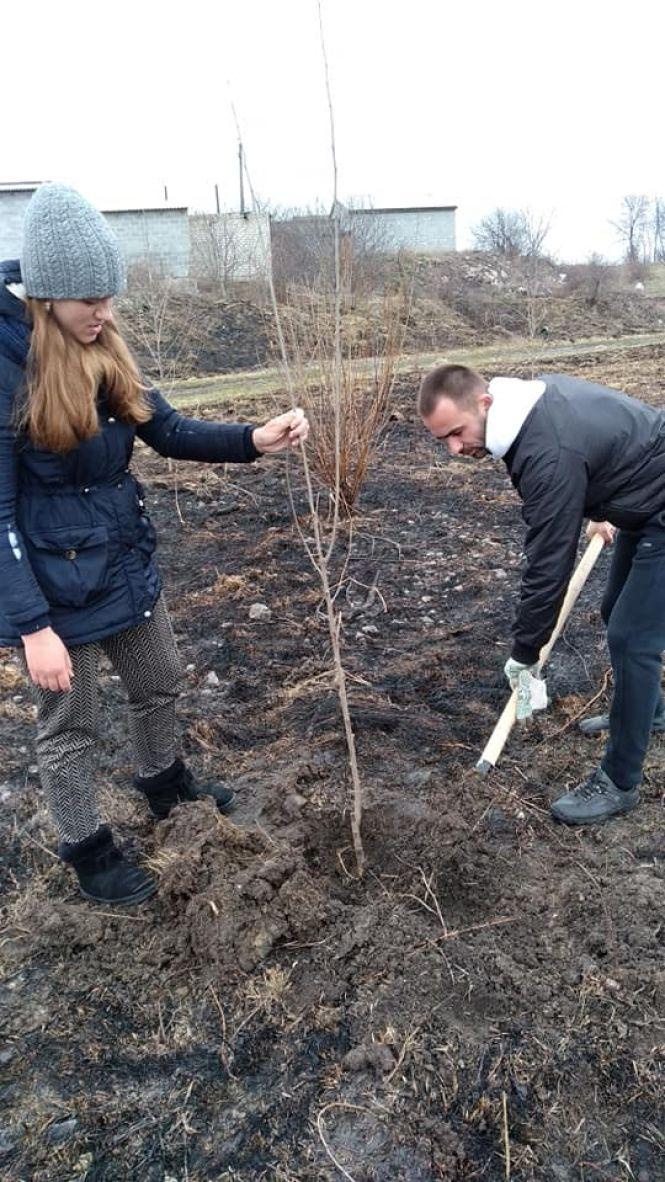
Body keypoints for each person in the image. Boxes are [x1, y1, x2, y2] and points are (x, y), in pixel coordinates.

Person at [0, 183, 309, 905]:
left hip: (121, 560)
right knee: (71, 722)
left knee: (161, 676)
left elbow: (163, 428)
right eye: (89, 300)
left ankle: (163, 781)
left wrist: (252, 441)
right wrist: (32, 627)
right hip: (49, 585)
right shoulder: (7, 368)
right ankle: (88, 848)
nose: (105, 313)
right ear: (45, 297)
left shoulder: (103, 347)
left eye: (109, 297)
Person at [418, 363, 665, 826]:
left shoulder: (544, 449)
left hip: (659, 501)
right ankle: (649, 712)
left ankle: (619, 780)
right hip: (644, 490)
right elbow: (594, 452)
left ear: (484, 403)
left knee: (634, 639)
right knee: (615, 612)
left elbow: (549, 567)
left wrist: (525, 653)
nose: (454, 449)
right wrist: (600, 505)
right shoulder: (526, 408)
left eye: (456, 432)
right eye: (442, 441)